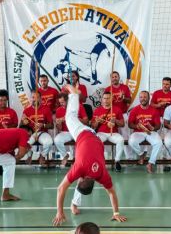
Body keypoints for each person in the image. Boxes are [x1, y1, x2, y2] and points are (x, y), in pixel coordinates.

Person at [52, 84, 126, 226]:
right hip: (82, 132)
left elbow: (111, 193)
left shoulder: (101, 174)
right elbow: (60, 189)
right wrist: (59, 212)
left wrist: (116, 213)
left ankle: (74, 204)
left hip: (94, 138)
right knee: (70, 116)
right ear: (85, 178)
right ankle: (73, 92)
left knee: (70, 117)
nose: (78, 180)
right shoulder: (81, 168)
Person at [128, 91, 162, 173]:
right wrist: (136, 126)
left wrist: (153, 128)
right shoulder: (134, 110)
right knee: (131, 141)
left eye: (145, 97)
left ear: (149, 98)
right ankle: (141, 154)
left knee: (159, 143)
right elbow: (130, 124)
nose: (143, 99)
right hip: (138, 132)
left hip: (150, 132)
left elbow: (158, 125)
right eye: (141, 97)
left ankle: (150, 163)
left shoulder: (154, 110)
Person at [91, 92, 125, 172]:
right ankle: (99, 162)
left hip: (113, 133)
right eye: (104, 98)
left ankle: (117, 161)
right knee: (96, 142)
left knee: (121, 140)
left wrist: (115, 120)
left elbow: (122, 124)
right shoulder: (97, 110)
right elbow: (93, 127)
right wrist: (97, 121)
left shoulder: (117, 109)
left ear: (111, 99)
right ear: (102, 99)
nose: (106, 100)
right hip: (101, 133)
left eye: (108, 98)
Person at [104, 71, 132, 160]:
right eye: (113, 77)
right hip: (111, 115)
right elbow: (105, 102)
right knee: (113, 135)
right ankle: (115, 157)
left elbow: (129, 100)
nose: (114, 78)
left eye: (116, 76)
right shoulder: (108, 89)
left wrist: (123, 98)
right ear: (110, 79)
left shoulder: (125, 88)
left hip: (123, 114)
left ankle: (129, 157)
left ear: (119, 78)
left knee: (125, 135)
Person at [54, 93, 88, 167]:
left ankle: (79, 159)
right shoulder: (59, 110)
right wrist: (58, 123)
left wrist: (75, 119)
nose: (61, 104)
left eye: (63, 102)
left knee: (82, 141)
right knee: (57, 140)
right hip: (66, 132)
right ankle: (65, 155)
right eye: (60, 103)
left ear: (68, 100)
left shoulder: (79, 106)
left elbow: (86, 121)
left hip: (77, 130)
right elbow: (59, 128)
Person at [20, 90, 53, 165]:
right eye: (33, 97)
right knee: (25, 143)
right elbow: (20, 127)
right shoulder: (26, 110)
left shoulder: (46, 109)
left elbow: (51, 125)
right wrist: (23, 122)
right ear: (30, 99)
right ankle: (29, 155)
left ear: (41, 98)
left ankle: (42, 155)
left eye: (37, 97)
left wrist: (43, 125)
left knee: (49, 142)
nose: (35, 99)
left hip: (42, 133)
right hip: (31, 133)